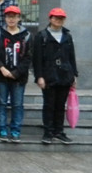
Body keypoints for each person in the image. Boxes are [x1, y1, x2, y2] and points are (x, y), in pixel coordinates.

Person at [33, 7, 78, 145]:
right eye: (56, 17)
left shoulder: (67, 36)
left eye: (61, 18)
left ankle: (59, 131)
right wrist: (39, 76)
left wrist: (74, 75)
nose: (58, 20)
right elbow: (37, 59)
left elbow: (71, 57)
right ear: (50, 19)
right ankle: (48, 132)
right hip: (48, 75)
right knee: (49, 105)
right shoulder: (42, 36)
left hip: (65, 75)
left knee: (60, 105)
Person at [0, 6, 32, 143]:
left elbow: (28, 57)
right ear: (5, 18)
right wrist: (2, 68)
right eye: (9, 16)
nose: (11, 19)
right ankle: (2, 129)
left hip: (19, 77)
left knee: (17, 104)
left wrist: (16, 72)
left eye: (14, 16)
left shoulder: (26, 35)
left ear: (19, 18)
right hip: (1, 75)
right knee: (1, 103)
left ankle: (15, 130)